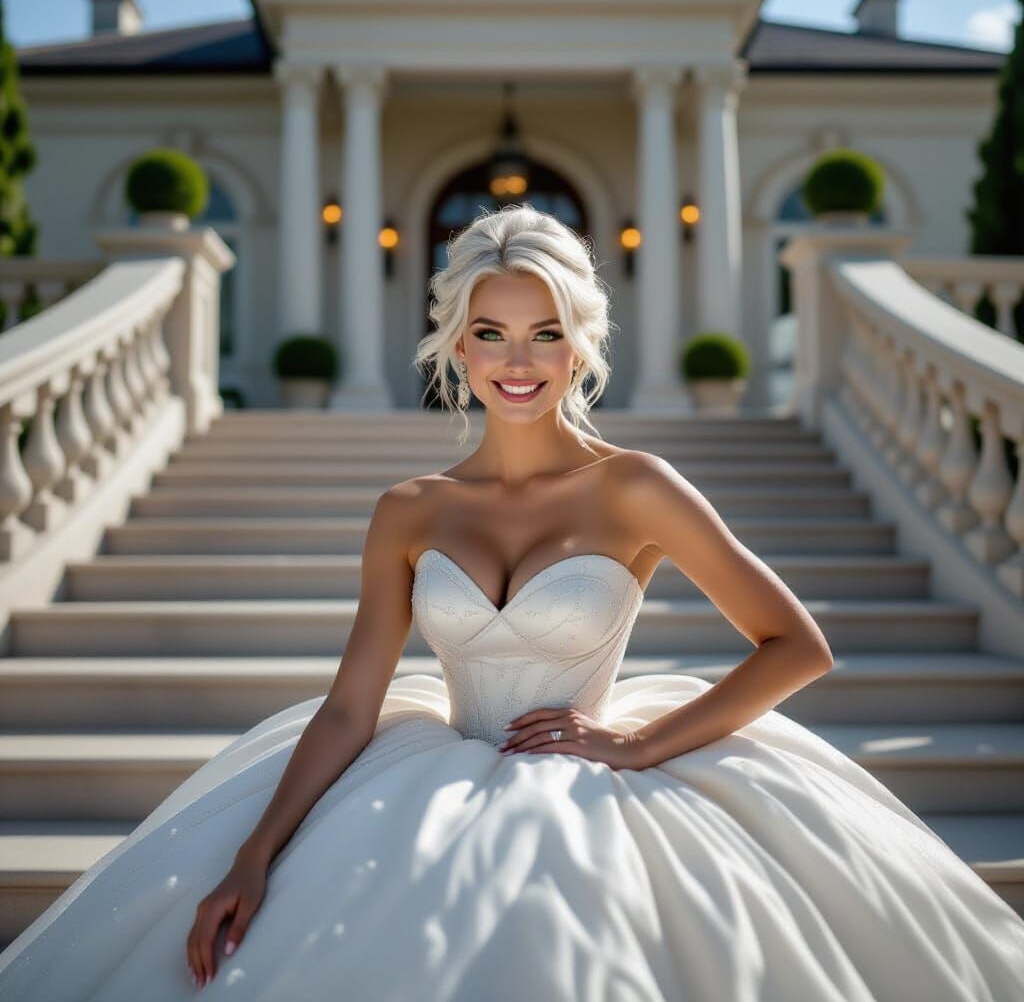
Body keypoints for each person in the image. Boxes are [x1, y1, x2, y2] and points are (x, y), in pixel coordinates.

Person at [1, 204, 1022, 1001]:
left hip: (587, 789)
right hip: (421, 777)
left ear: (579, 342)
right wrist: (256, 852)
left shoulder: (637, 486)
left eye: (544, 333)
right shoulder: (409, 510)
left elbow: (793, 645)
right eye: (489, 332)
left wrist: (634, 746)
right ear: (455, 347)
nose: (517, 361)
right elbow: (352, 706)